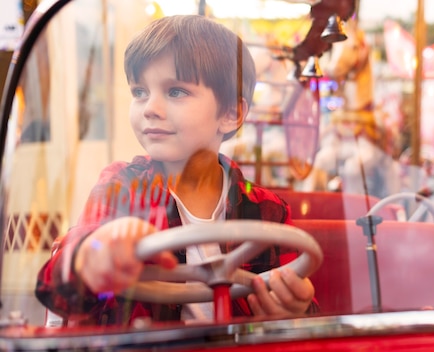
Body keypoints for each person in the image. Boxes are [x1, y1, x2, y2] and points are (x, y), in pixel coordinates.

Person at [35, 15, 317, 326]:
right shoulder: (122, 189)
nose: (150, 108)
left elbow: (306, 314)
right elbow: (57, 287)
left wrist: (297, 309)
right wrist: (91, 256)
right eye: (139, 91)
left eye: (175, 92)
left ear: (230, 113)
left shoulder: (269, 211)